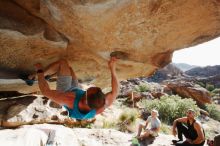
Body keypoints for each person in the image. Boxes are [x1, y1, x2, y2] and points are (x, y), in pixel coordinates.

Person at [25, 57, 119, 120]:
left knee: (63, 63)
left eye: (87, 90)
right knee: (69, 69)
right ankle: (52, 75)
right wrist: (112, 68)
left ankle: (33, 77)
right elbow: (115, 92)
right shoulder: (100, 105)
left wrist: (39, 71)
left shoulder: (68, 99)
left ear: (85, 99)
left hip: (66, 91)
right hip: (76, 90)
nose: (89, 88)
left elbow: (45, 91)